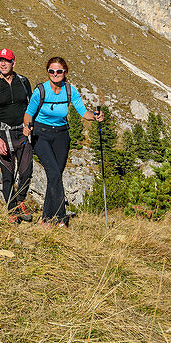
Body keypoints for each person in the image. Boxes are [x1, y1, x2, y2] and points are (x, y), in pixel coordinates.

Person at [23, 56, 104, 227]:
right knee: (53, 172)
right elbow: (28, 113)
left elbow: (83, 112)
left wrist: (95, 116)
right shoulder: (40, 91)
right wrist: (27, 126)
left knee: (55, 176)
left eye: (59, 71)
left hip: (61, 135)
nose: (55, 74)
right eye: (51, 71)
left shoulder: (70, 91)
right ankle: (60, 218)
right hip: (41, 134)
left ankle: (46, 218)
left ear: (65, 72)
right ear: (48, 72)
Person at [0, 48, 34, 225]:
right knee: (8, 176)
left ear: (14, 62)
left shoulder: (23, 81)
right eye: (0, 60)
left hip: (23, 132)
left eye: (7, 60)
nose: (3, 63)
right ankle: (12, 210)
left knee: (27, 172)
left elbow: (31, 106)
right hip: (3, 134)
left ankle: (20, 200)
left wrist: (30, 125)